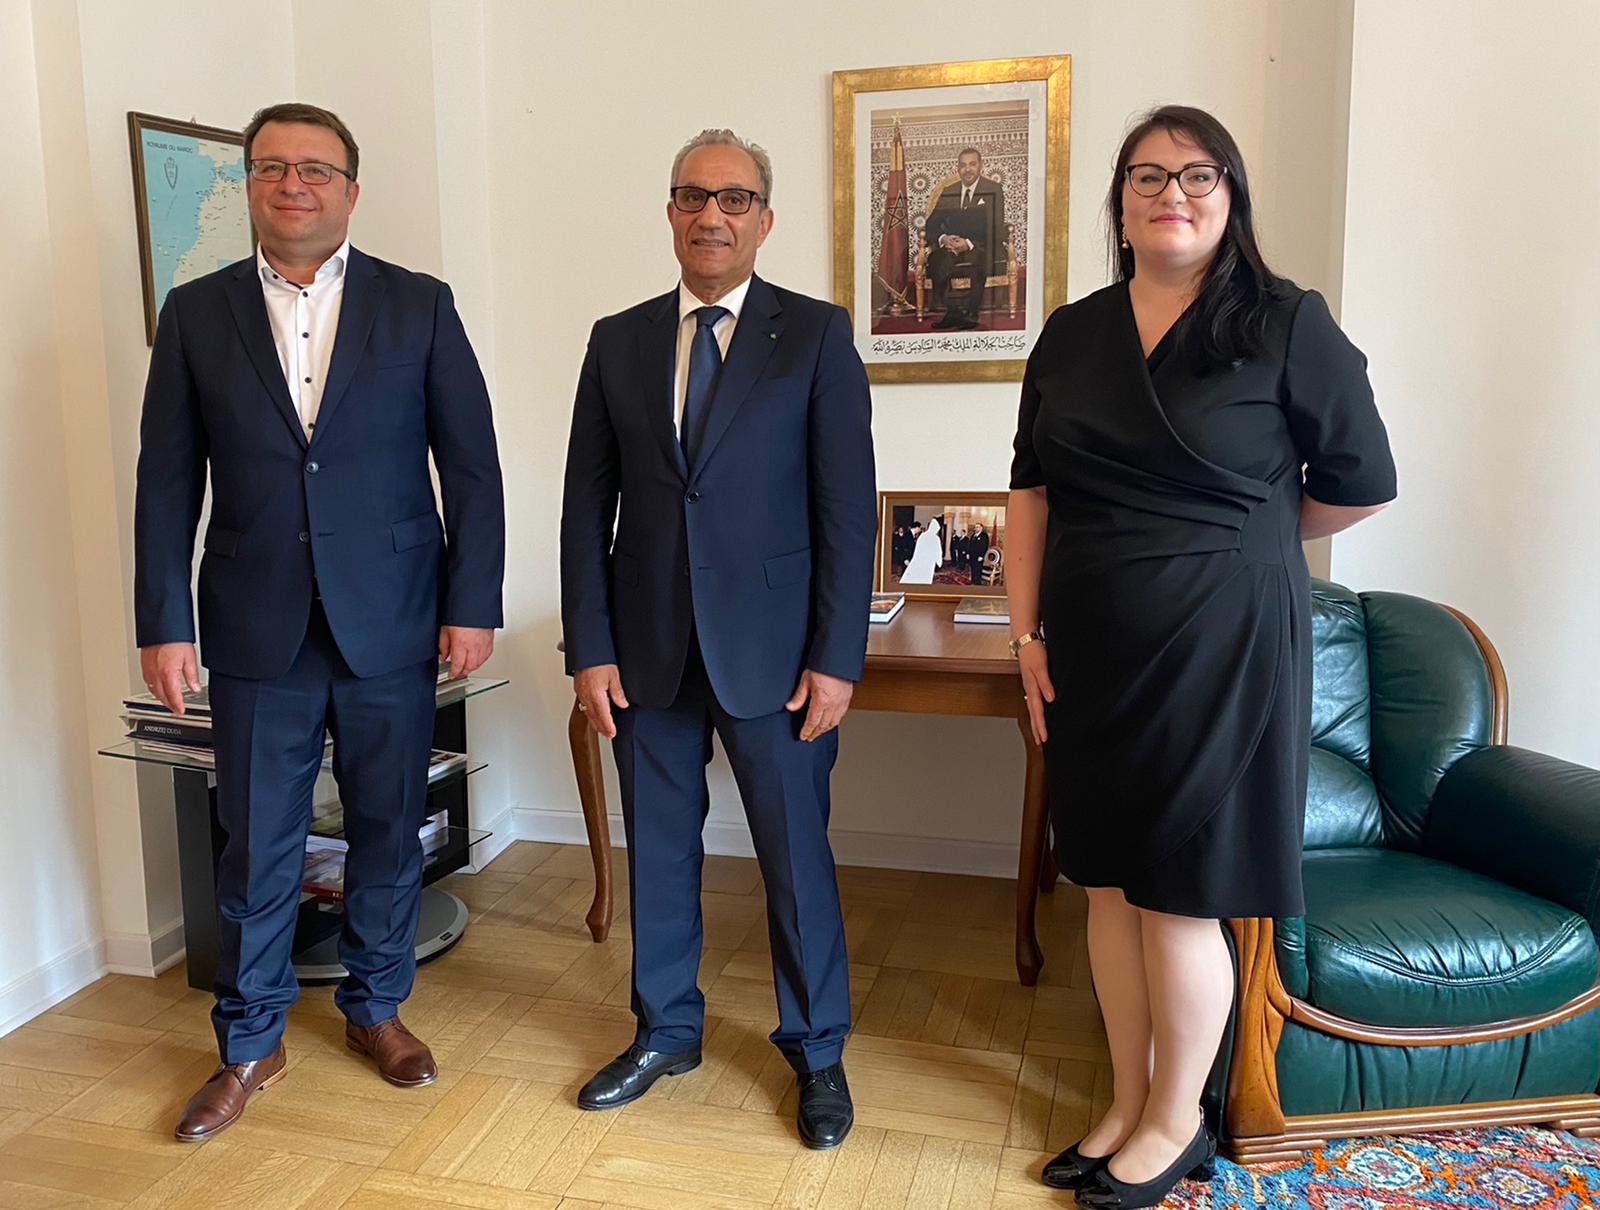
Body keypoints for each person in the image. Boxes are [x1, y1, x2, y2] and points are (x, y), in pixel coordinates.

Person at [1007, 105, 1395, 1208]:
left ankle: (1178, 1123)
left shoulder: (1285, 321)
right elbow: (1030, 490)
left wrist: (1247, 533)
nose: (1170, 193)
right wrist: (1025, 635)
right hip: (1088, 648)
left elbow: (1362, 482)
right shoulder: (1071, 333)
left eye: (1196, 174)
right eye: (1147, 176)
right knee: (1106, 887)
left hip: (1222, 649)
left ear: (1230, 195)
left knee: (1179, 893)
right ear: (1119, 202)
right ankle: (1128, 1100)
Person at [133, 102, 505, 1143]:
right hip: (256, 628)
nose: (292, 184)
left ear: (351, 189)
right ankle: (250, 1042)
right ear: (249, 184)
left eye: (315, 169)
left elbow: (471, 469)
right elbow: (166, 482)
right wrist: (164, 622)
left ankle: (376, 1007)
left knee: (388, 828)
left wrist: (471, 603)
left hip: (393, 620)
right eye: (271, 167)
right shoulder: (197, 313)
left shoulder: (418, 305)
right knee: (258, 844)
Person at [559, 128, 875, 1150]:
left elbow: (848, 511)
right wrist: (588, 646)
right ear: (669, 212)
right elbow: (585, 507)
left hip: (777, 657)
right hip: (645, 649)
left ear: (764, 220)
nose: (712, 215)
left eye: (734, 198)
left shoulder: (815, 335)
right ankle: (665, 1031)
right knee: (659, 849)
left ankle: (816, 1051)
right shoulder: (617, 340)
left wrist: (836, 657)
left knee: (795, 858)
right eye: (693, 196)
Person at [923, 147, 1005, 330]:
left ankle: (971, 313)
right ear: (958, 168)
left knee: (979, 259)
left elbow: (996, 226)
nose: (967, 169)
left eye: (972, 164)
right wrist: (944, 238)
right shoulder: (948, 191)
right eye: (963, 165)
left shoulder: (993, 189)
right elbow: (931, 224)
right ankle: (953, 312)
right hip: (951, 247)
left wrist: (968, 244)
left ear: (981, 166)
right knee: (935, 259)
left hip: (980, 246)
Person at [900, 516, 942, 584]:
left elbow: (917, 548)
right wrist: (939, 561)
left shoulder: (922, 535)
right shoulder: (936, 538)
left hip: (920, 559)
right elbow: (938, 551)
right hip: (929, 561)